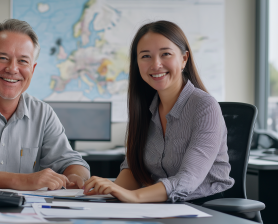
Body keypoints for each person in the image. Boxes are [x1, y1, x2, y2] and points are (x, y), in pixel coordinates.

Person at [83, 20, 234, 204]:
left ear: (184, 59)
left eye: (166, 54)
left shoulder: (204, 106)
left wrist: (134, 196)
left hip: (207, 207)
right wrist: (107, 193)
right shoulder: (144, 109)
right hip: (159, 206)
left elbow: (187, 180)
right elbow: (133, 169)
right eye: (145, 56)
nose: (156, 64)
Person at [0, 19, 90, 191]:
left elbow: (71, 161)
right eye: (3, 58)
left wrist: (74, 176)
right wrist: (25, 181)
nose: (13, 69)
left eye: (23, 61)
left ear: (33, 69)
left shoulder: (42, 113)